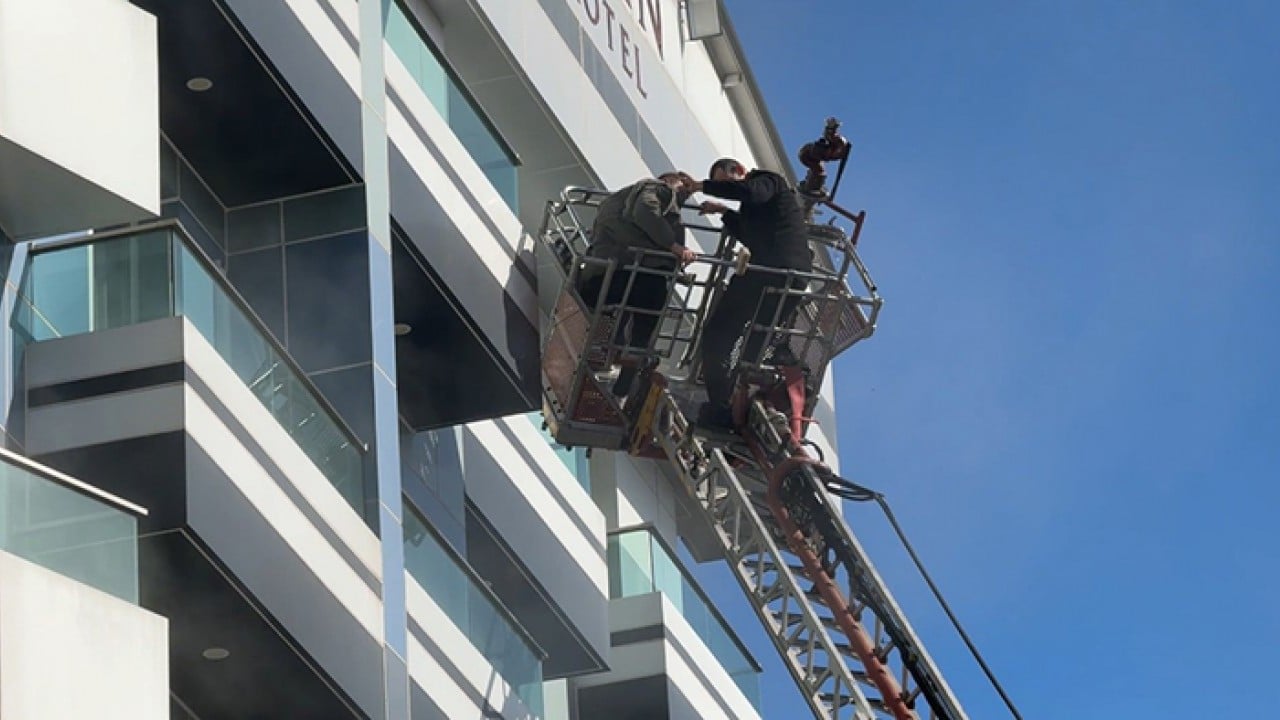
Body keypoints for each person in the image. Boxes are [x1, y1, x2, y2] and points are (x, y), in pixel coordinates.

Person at [689, 158, 812, 429]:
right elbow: (751, 235)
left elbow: (749, 192)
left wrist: (701, 186)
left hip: (772, 271)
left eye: (724, 182)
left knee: (718, 333)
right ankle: (739, 403)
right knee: (753, 347)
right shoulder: (763, 205)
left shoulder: (769, 182)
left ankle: (722, 406)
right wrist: (723, 211)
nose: (723, 189)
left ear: (740, 172)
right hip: (791, 277)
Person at [576, 172, 697, 394]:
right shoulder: (658, 188)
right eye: (684, 189)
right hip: (638, 271)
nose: (685, 194)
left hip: (608, 271)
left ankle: (605, 357)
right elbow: (645, 211)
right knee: (644, 321)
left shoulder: (616, 200)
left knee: (613, 315)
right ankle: (627, 367)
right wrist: (674, 247)